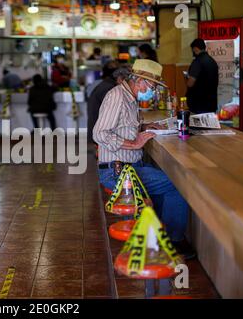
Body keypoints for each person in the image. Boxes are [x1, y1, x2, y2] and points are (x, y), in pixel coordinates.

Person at [93, 59, 194, 260]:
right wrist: (134, 144)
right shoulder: (117, 97)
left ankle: (158, 237)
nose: (154, 91)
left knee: (163, 184)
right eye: (153, 86)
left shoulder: (129, 98)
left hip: (130, 167)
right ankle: (172, 241)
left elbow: (121, 127)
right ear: (139, 80)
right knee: (176, 185)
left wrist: (143, 129)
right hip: (117, 171)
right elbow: (99, 133)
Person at [87, 63, 119, 143]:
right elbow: (111, 109)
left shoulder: (102, 84)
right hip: (100, 129)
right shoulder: (109, 88)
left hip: (96, 126)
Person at [186, 38, 219, 114]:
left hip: (199, 104)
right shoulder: (212, 61)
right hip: (211, 104)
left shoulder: (197, 62)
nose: (193, 51)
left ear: (195, 48)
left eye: (193, 49)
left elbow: (190, 83)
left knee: (198, 125)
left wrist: (187, 78)